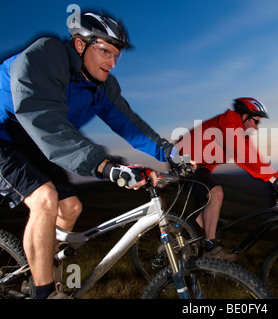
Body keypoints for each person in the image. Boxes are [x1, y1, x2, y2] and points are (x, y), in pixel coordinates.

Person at [0, 12, 181, 298]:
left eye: (116, 55)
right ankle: (44, 293)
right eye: (105, 51)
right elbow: (45, 121)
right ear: (80, 45)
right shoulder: (44, 58)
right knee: (45, 199)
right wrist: (106, 166)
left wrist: (171, 153)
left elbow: (130, 125)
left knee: (70, 208)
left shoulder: (102, 86)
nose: (112, 62)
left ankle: (39, 274)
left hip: (35, 140)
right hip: (5, 135)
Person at [176, 97, 278, 260]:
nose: (257, 127)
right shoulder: (229, 122)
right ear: (245, 116)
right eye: (256, 122)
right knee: (216, 193)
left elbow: (254, 156)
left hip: (199, 166)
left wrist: (276, 179)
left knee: (208, 205)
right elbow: (241, 154)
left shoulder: (239, 131)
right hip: (184, 161)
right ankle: (210, 248)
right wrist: (272, 180)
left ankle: (190, 246)